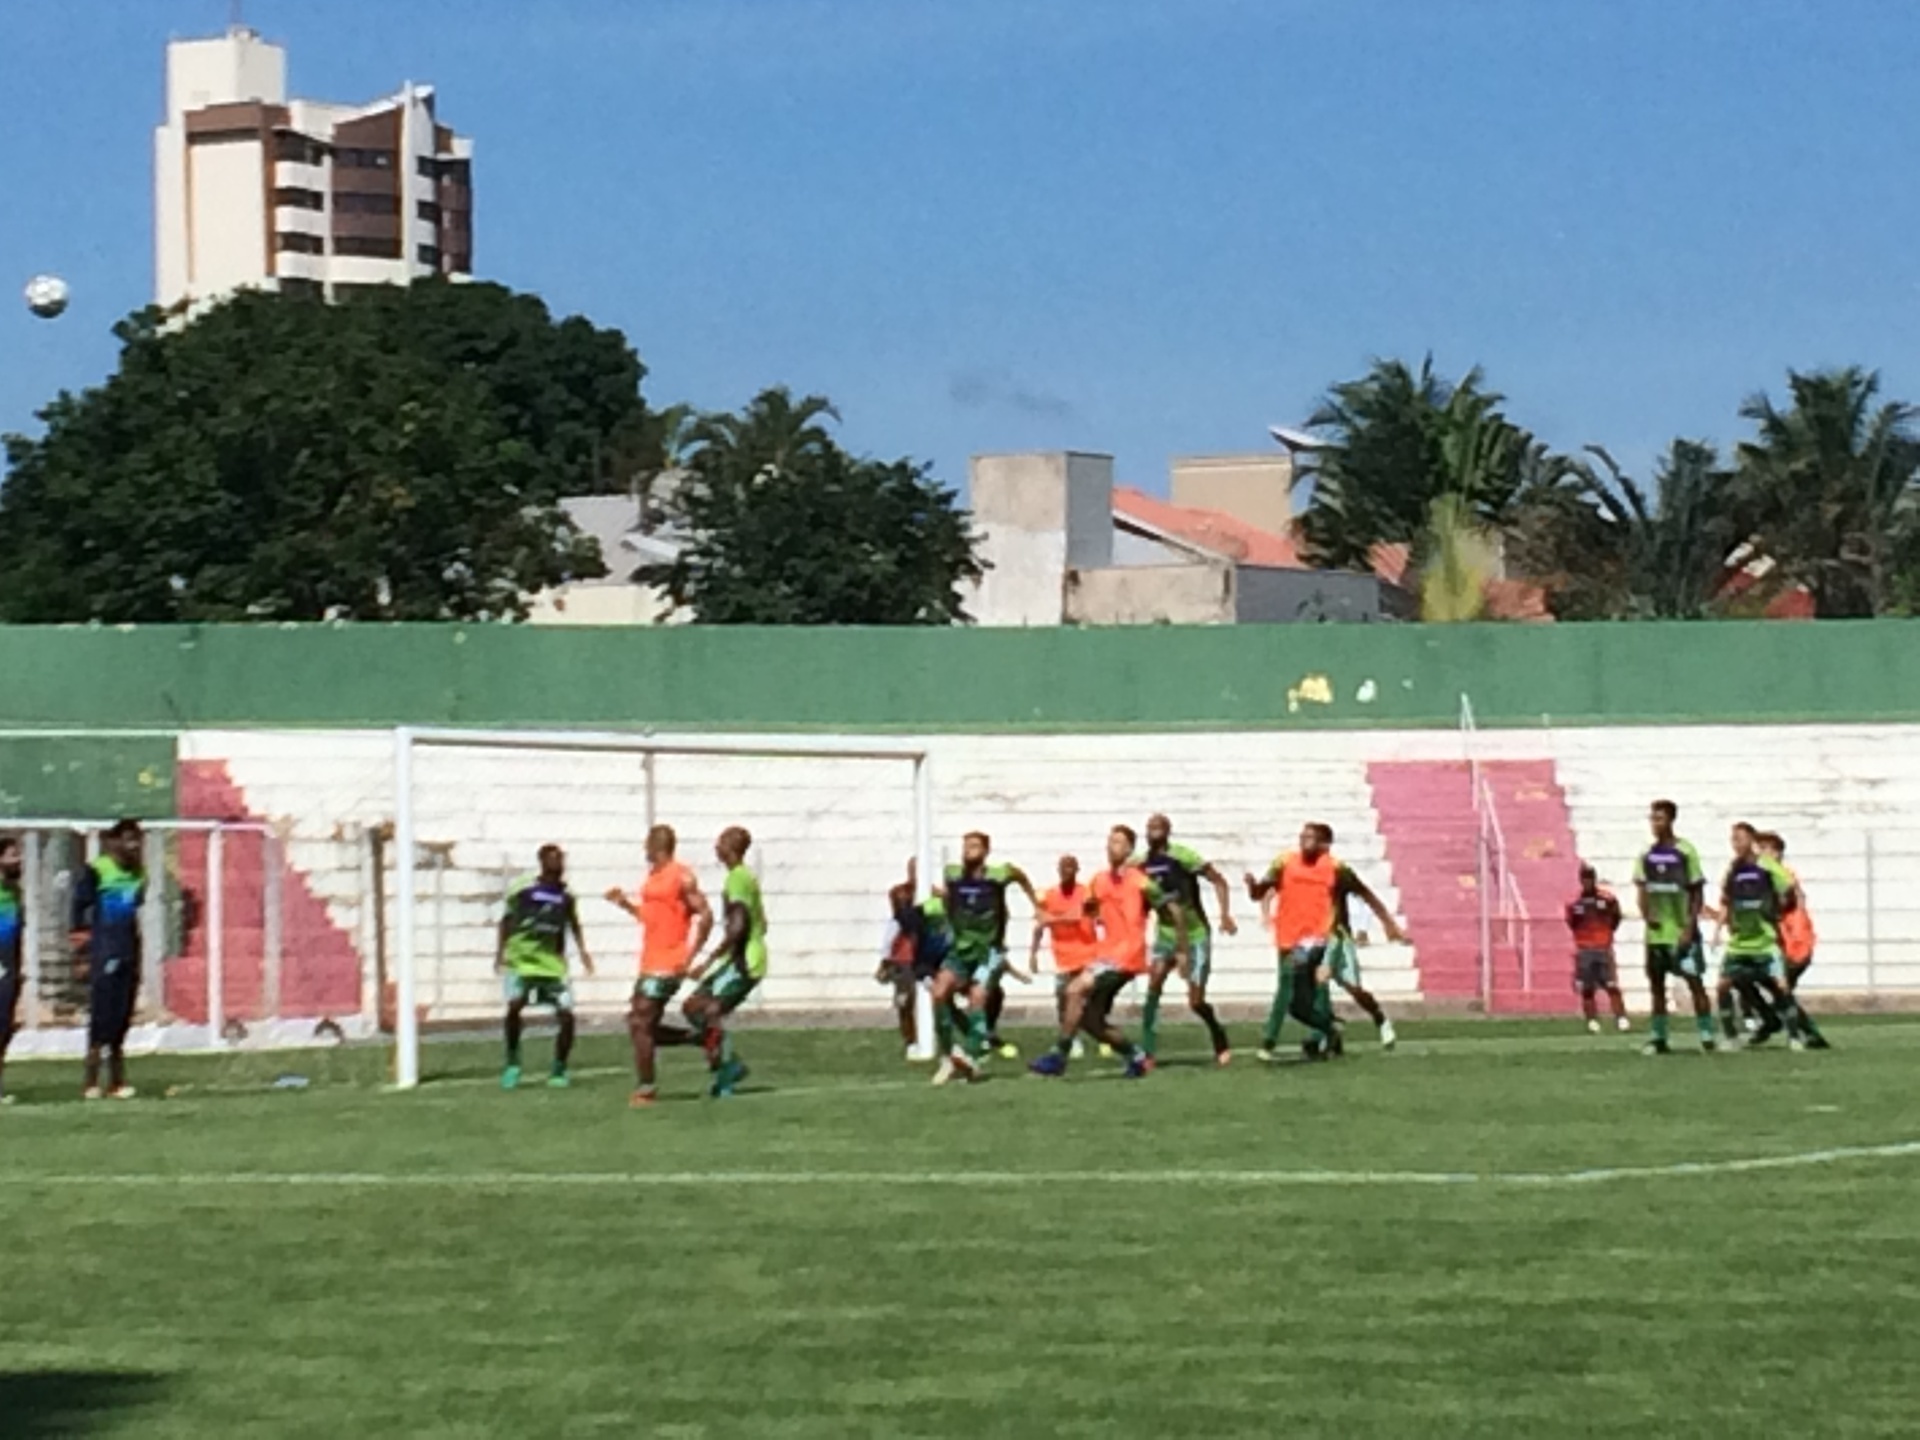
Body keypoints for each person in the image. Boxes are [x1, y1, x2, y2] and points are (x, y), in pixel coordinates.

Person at [1029, 826, 1183, 1079]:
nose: (1112, 847)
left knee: (1074, 990)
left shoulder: (1140, 881)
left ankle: (1059, 1056)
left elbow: (1172, 909)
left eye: (1119, 842)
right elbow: (1085, 912)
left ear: (1130, 849)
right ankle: (1136, 1057)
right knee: (1090, 1020)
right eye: (1110, 842)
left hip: (1127, 955)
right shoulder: (1098, 881)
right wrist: (1055, 918)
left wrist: (1179, 948)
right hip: (1106, 954)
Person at [1246, 823, 1406, 1062]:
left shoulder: (1337, 869)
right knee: (1297, 999)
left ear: (1324, 844)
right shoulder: (1285, 862)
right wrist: (1253, 887)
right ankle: (1326, 1032)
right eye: (1302, 836)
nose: (1304, 841)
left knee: (1350, 987)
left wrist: (1388, 924)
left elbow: (1366, 894)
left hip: (1332, 938)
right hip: (1297, 942)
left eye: (1310, 837)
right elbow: (1261, 892)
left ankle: (1379, 1019)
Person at [607, 825, 714, 1108]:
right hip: (650, 960)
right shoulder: (653, 877)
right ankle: (701, 1037)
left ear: (656, 845)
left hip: (669, 962)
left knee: (640, 1022)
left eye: (647, 844)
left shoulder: (681, 876)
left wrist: (691, 957)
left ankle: (646, 1089)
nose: (644, 849)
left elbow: (706, 915)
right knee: (641, 1024)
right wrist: (625, 904)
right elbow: (651, 918)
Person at [929, 833, 1037, 1085]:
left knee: (978, 995)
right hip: (960, 951)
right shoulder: (952, 874)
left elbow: (1019, 875)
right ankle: (948, 1055)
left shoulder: (998, 875)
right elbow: (951, 899)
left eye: (975, 846)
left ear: (986, 851)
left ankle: (972, 1056)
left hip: (989, 952)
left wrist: (1036, 905)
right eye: (966, 846)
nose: (968, 850)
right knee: (939, 991)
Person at [1135, 815, 1237, 1065]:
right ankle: (1147, 1051)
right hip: (1166, 934)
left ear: (1167, 831)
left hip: (1195, 934)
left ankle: (1218, 1035)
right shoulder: (1140, 864)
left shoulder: (1184, 857)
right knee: (1154, 985)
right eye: (1149, 827)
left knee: (1196, 1001)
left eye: (1157, 827)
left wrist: (1225, 914)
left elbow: (1219, 880)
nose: (1152, 831)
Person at [1713, 822, 1823, 1051]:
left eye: (1766, 848)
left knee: (1778, 989)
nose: (1762, 851)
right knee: (1740, 982)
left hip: (1789, 945)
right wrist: (1722, 924)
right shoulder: (1738, 870)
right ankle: (1771, 1023)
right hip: (1749, 942)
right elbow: (1730, 900)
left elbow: (1790, 900)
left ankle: (1795, 1030)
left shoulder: (1775, 873)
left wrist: (1775, 909)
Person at [495, 844, 596, 1090]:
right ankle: (513, 1064)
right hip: (522, 960)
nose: (558, 864)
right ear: (542, 862)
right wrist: (500, 953)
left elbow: (572, 922)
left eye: (560, 859)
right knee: (514, 1007)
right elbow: (506, 920)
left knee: (566, 1015)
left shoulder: (566, 895)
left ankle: (559, 1068)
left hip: (551, 964)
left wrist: (583, 952)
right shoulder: (524, 890)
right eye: (553, 859)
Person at [682, 826, 767, 1098]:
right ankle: (726, 1060)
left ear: (730, 847)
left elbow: (738, 926)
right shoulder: (743, 877)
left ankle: (726, 1072)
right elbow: (762, 923)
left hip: (744, 963)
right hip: (739, 959)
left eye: (720, 842)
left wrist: (708, 962)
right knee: (693, 1007)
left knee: (709, 1010)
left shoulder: (737, 880)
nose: (716, 847)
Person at [70, 820, 148, 1100]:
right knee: (102, 1015)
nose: (134, 846)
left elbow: (135, 906)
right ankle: (91, 1080)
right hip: (104, 951)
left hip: (129, 950)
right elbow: (78, 912)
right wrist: (81, 955)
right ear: (114, 842)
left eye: (137, 840)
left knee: (122, 1015)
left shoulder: (139, 873)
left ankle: (117, 1080)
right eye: (128, 839)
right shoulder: (97, 870)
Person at [1634, 800, 1716, 1056]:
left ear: (1671, 820)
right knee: (1657, 986)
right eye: (1653, 819)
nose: (1655, 824)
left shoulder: (1685, 852)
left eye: (1659, 819)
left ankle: (1706, 1035)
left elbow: (1697, 892)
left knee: (1695, 983)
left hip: (1681, 931)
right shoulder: (1646, 854)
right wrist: (1646, 914)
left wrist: (1689, 927)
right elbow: (1642, 888)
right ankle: (1659, 1037)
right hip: (1656, 935)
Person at [1030, 855, 1098, 1059]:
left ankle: (1098, 1036)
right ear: (1058, 870)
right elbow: (1040, 923)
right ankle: (1071, 1039)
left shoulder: (1086, 892)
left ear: (1077, 870)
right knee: (1062, 999)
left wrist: (1053, 919)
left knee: (1085, 1001)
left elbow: (1079, 915)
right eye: (1063, 867)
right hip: (1062, 957)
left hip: (1087, 954)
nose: (1066, 871)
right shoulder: (1050, 895)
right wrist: (1033, 953)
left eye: (1070, 867)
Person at [1565, 863, 1630, 1034]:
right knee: (1587, 988)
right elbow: (1571, 923)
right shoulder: (1575, 903)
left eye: (1590, 878)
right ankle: (1592, 1021)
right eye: (1584, 878)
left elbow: (1616, 917)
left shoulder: (1607, 899)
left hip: (1603, 948)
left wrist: (1605, 935)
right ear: (1581, 880)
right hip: (1585, 949)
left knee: (1611, 985)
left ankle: (1621, 1018)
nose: (1587, 881)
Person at [0, 837, 22, 1106]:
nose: (18, 860)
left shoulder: (14, 891)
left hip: (10, 967)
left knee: (5, 1027)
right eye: (13, 855)